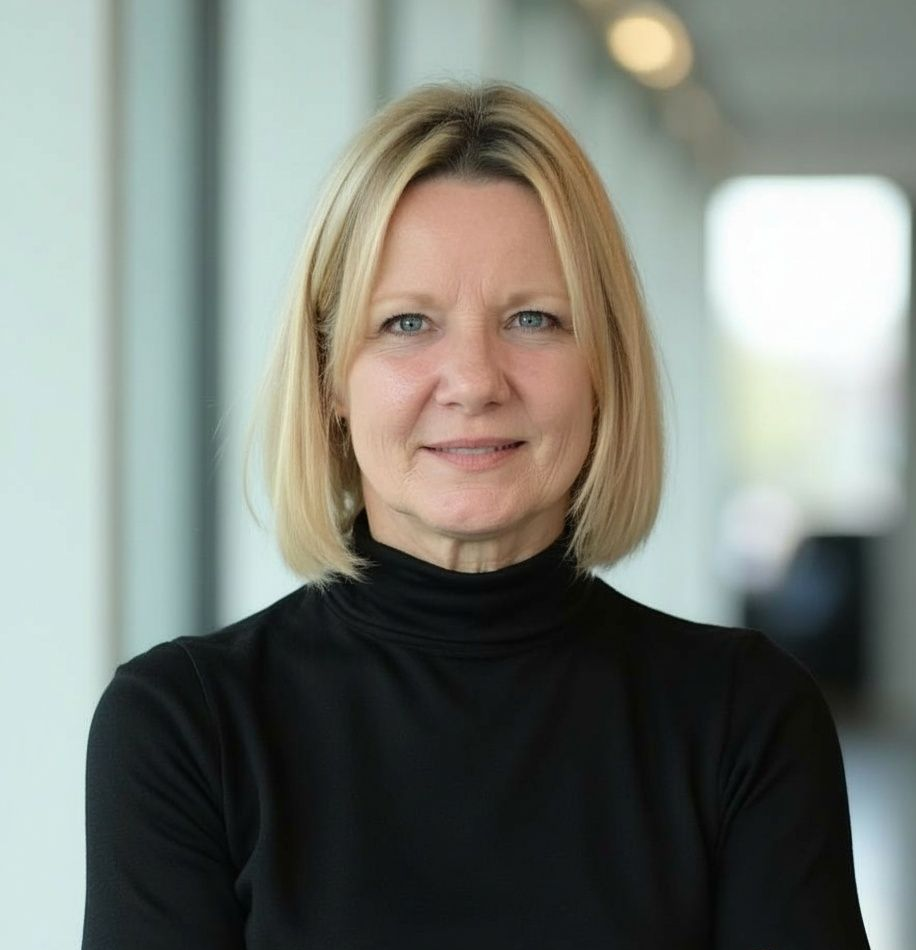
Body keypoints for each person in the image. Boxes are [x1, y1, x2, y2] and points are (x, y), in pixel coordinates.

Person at [82, 81, 871, 949]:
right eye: (408, 322)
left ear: (603, 368)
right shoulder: (186, 728)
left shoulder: (748, 723)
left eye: (533, 319)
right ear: (330, 378)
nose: (474, 381)